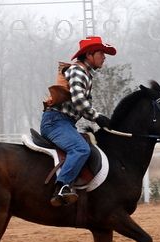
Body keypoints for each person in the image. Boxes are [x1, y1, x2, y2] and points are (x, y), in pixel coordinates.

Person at [40, 36, 117, 207]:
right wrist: (98, 117)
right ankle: (61, 187)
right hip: (56, 122)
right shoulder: (78, 71)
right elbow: (79, 100)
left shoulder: (85, 73)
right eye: (101, 53)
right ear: (89, 54)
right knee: (80, 148)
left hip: (64, 122)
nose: (104, 57)